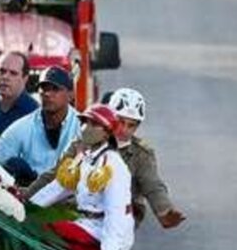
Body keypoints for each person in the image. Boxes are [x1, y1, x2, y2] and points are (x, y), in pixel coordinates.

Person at [26, 88, 186, 230]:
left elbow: (153, 186)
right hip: (79, 209)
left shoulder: (141, 155)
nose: (124, 130)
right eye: (121, 122)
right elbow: (55, 175)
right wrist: (25, 198)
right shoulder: (83, 144)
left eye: (131, 125)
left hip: (117, 216)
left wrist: (165, 211)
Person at [29, 104, 134, 250]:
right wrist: (25, 208)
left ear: (106, 134)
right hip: (86, 224)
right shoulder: (84, 158)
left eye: (94, 124)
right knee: (34, 227)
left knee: (45, 233)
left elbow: (115, 214)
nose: (86, 128)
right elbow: (57, 189)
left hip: (102, 234)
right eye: (85, 122)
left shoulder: (113, 166)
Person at [0, 65, 80, 185]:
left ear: (71, 95)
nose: (47, 94)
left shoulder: (83, 127)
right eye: (44, 88)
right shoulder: (19, 129)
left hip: (72, 197)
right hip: (30, 197)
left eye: (55, 89)